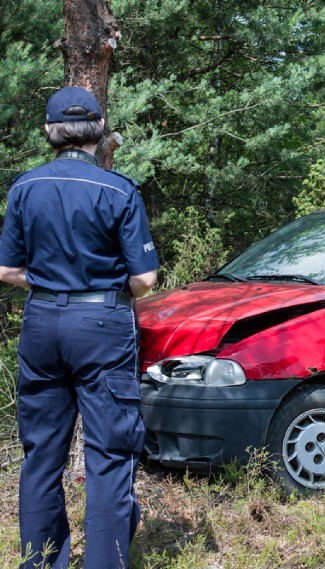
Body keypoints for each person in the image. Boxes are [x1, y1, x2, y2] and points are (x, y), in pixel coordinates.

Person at [0, 86, 159, 567]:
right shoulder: (118, 190)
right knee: (109, 453)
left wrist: (50, 285)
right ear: (99, 132)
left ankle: (43, 562)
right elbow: (145, 279)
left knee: (41, 452)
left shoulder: (24, 188)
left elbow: (7, 271)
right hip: (102, 325)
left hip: (43, 322)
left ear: (50, 132)